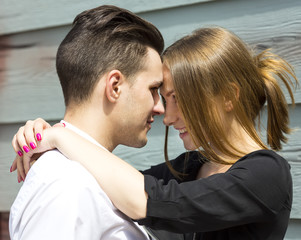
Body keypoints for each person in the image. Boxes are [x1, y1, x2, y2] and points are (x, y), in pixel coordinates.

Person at [11, 27, 298, 239]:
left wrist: (62, 136)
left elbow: (146, 201)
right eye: (160, 95)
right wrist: (42, 133)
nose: (167, 116)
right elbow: (110, 180)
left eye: (177, 98)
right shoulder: (191, 167)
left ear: (227, 96)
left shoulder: (266, 174)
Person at [9, 4, 166, 240]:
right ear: (114, 86)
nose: (160, 107)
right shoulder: (67, 186)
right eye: (153, 89)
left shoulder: (85, 177)